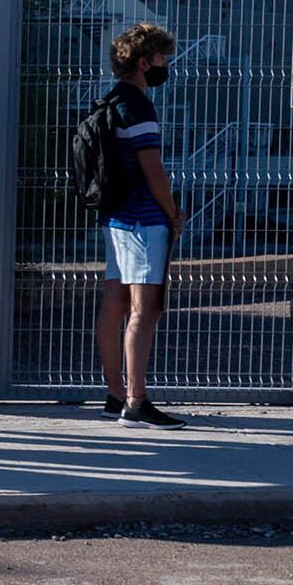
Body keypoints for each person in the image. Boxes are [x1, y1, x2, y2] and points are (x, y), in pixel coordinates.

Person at [96, 23, 185, 428]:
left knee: (114, 305)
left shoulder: (109, 100)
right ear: (144, 61)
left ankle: (116, 393)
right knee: (144, 310)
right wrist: (172, 212)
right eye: (163, 58)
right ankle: (136, 401)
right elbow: (153, 170)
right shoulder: (138, 105)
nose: (167, 65)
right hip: (144, 220)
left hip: (115, 217)